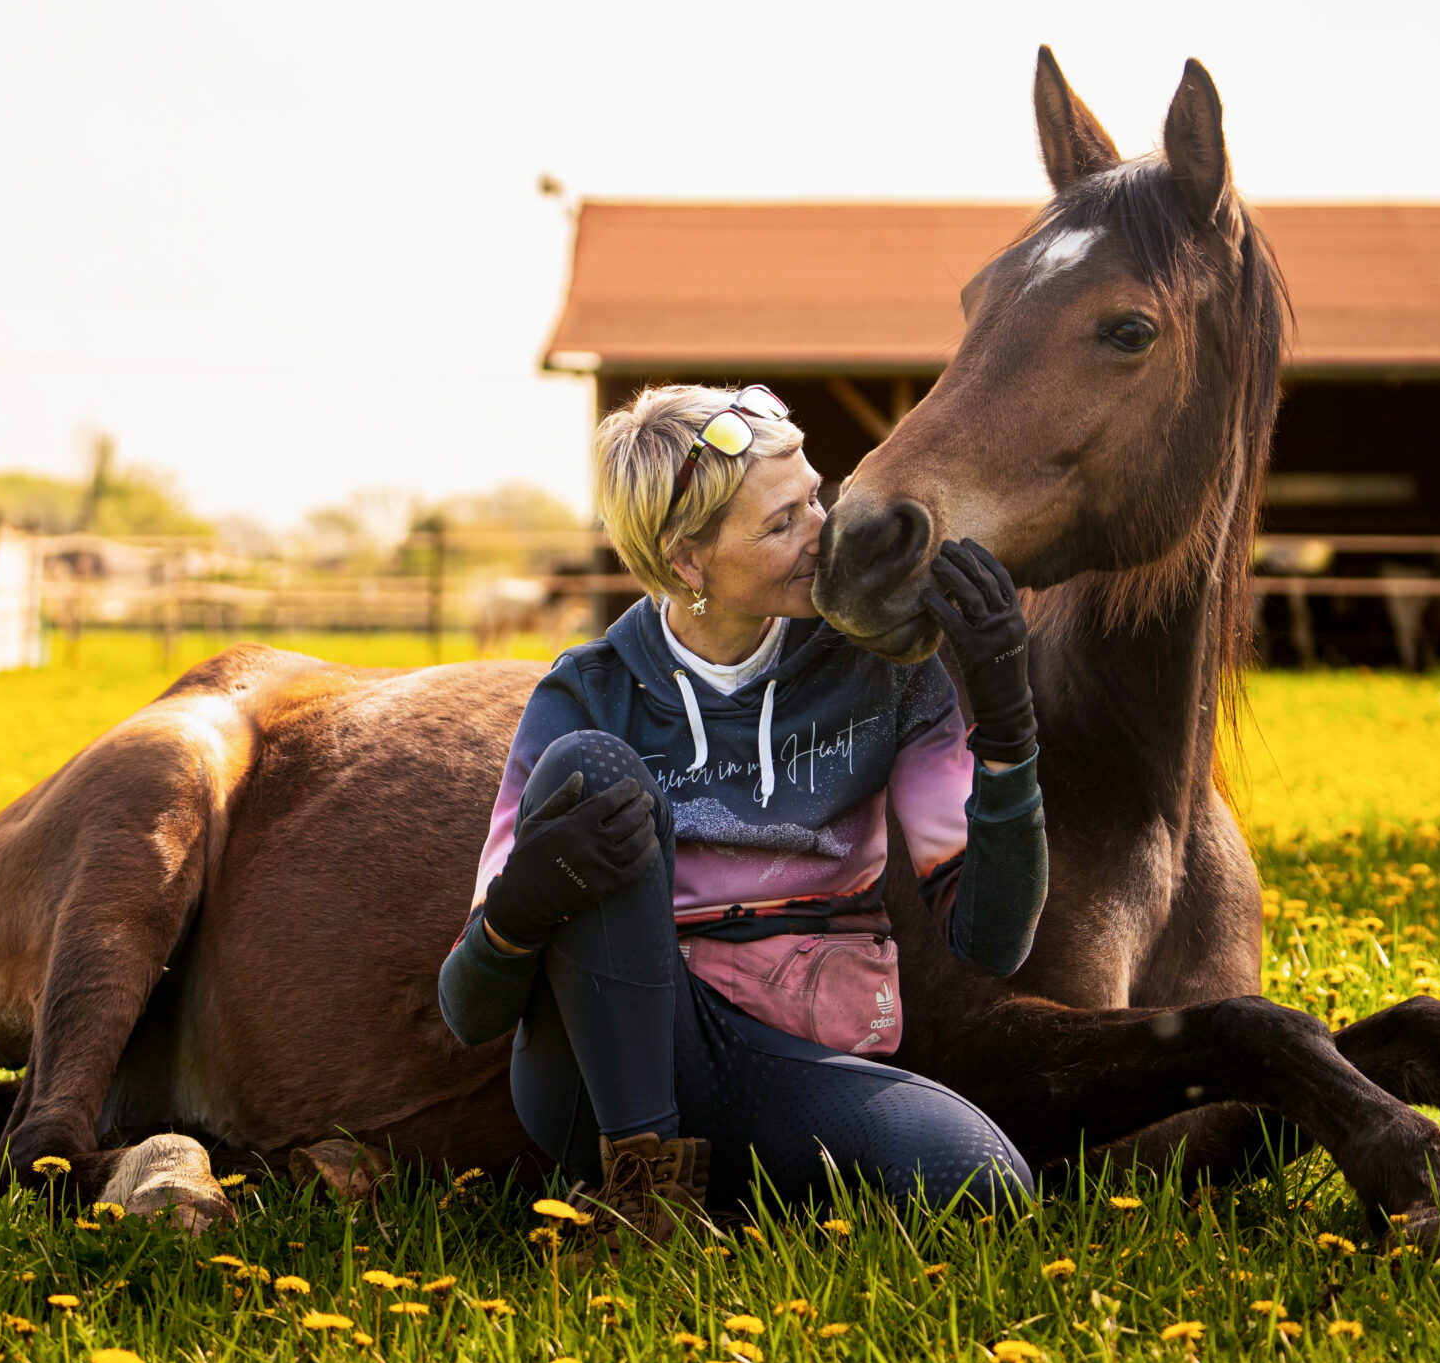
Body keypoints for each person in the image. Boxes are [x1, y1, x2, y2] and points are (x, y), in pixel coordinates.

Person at [438, 383, 1048, 1239]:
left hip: (797, 1070)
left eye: (814, 499)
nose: (822, 535)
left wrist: (1008, 729)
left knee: (982, 1182)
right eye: (780, 524)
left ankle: (722, 1218)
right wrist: (525, 902)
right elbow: (469, 1010)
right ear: (688, 561)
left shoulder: (887, 671)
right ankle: (642, 1202)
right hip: (609, 1075)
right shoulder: (586, 693)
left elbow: (991, 939)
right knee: (593, 768)